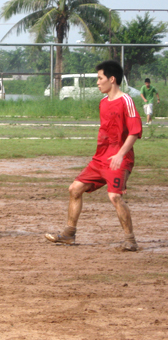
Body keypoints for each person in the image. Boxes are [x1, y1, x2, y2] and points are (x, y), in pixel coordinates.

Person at [45, 60, 142, 251]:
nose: (97, 82)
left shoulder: (126, 101)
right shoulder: (103, 103)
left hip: (119, 159)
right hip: (100, 159)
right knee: (74, 189)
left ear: (112, 79)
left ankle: (130, 241)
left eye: (100, 78)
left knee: (115, 196)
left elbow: (135, 132)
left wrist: (120, 155)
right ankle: (69, 234)